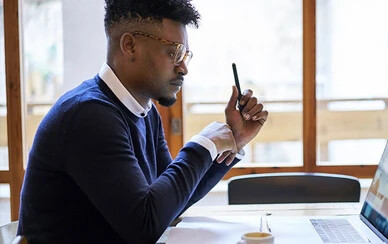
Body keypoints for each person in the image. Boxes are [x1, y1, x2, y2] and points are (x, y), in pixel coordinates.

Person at [17, 0, 268, 243]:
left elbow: (168, 205)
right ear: (130, 46)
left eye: (185, 55)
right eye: (173, 53)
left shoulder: (144, 112)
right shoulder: (89, 115)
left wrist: (232, 141)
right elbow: (144, 227)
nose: (183, 68)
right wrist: (205, 143)